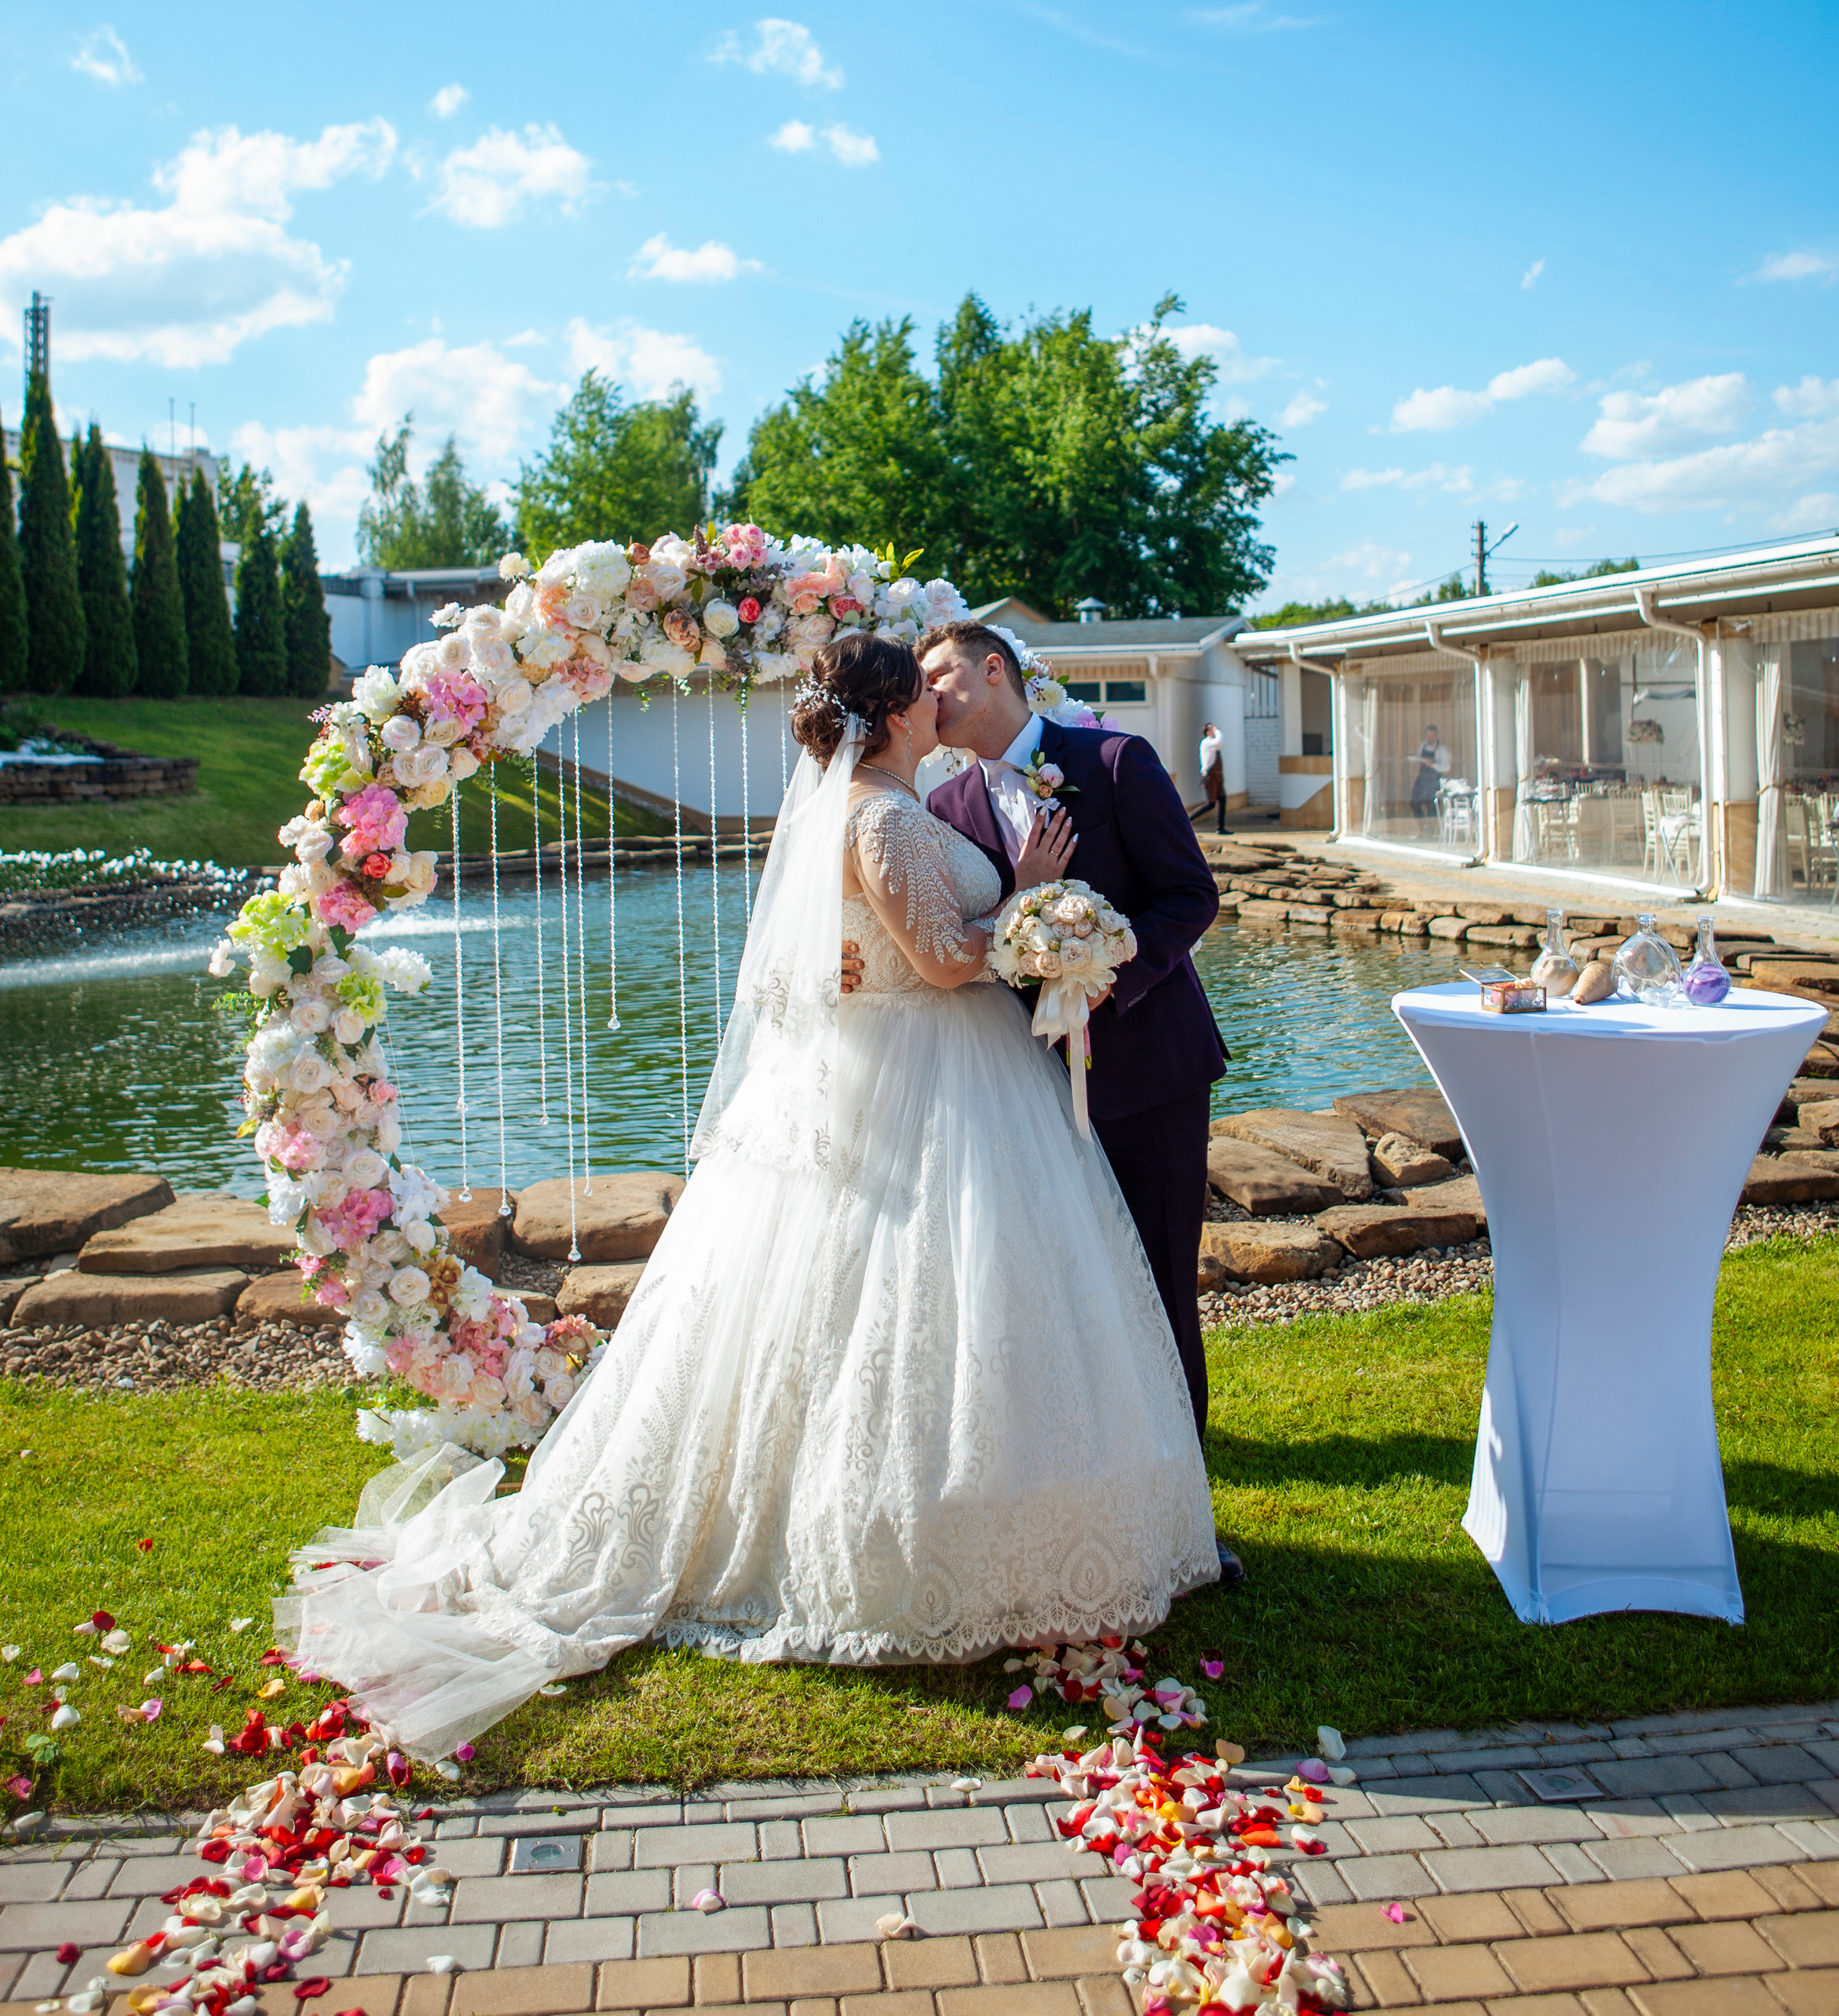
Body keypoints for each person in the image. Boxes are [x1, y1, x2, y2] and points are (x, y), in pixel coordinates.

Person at [279, 632, 1218, 1764]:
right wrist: (1023, 902)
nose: (937, 703)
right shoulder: (882, 816)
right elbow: (943, 961)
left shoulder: (899, 803)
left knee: (927, 1308)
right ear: (893, 715)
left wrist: (1037, 925)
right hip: (935, 1079)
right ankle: (909, 1536)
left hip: (957, 1078)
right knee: (916, 1304)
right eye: (920, 692)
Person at [915, 623, 1245, 1587]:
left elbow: (1190, 898)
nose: (928, 699)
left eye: (939, 677)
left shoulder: (1110, 761)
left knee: (1157, 1292)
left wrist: (1104, 972)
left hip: (1149, 1075)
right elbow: (972, 937)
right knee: (1067, 1299)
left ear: (992, 670)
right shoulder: (943, 803)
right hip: (1024, 1092)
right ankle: (1098, 1494)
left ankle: (1187, 1518)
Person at [1411, 723, 1451, 824]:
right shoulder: (1423, 745)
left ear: (1436, 735)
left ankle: (1430, 829)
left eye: (1432, 736)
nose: (1430, 738)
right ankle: (1422, 827)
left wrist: (1433, 765)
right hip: (1421, 778)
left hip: (1434, 780)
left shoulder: (1442, 749)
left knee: (1431, 806)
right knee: (1414, 802)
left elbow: (1447, 767)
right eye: (1428, 736)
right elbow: (1418, 757)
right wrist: (1414, 759)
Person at [1198, 722, 1229, 835]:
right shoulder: (1207, 743)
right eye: (1211, 729)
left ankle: (1221, 827)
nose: (1214, 730)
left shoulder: (1211, 744)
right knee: (1211, 804)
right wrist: (1218, 731)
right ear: (1207, 732)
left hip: (1218, 776)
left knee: (1222, 800)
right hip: (1211, 776)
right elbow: (1220, 742)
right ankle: (1187, 820)